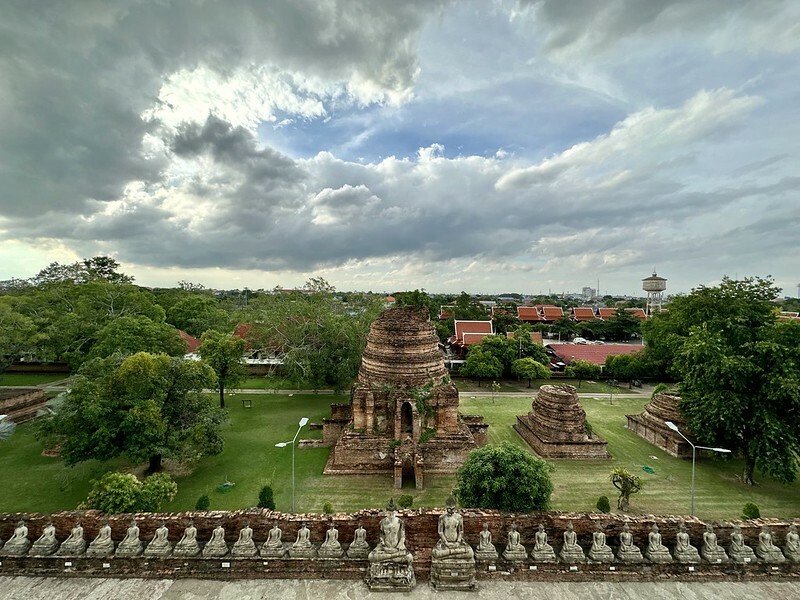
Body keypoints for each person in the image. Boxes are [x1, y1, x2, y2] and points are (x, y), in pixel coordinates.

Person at [369, 499, 412, 564]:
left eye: (393, 513)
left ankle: (387, 558)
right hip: (385, 547)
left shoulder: (400, 522)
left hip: (397, 547)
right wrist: (385, 547)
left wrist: (398, 547)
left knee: (409, 558)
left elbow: (402, 537)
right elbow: (381, 537)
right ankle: (392, 557)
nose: (391, 515)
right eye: (389, 513)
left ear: (396, 513)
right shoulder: (382, 522)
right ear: (386, 512)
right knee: (371, 556)